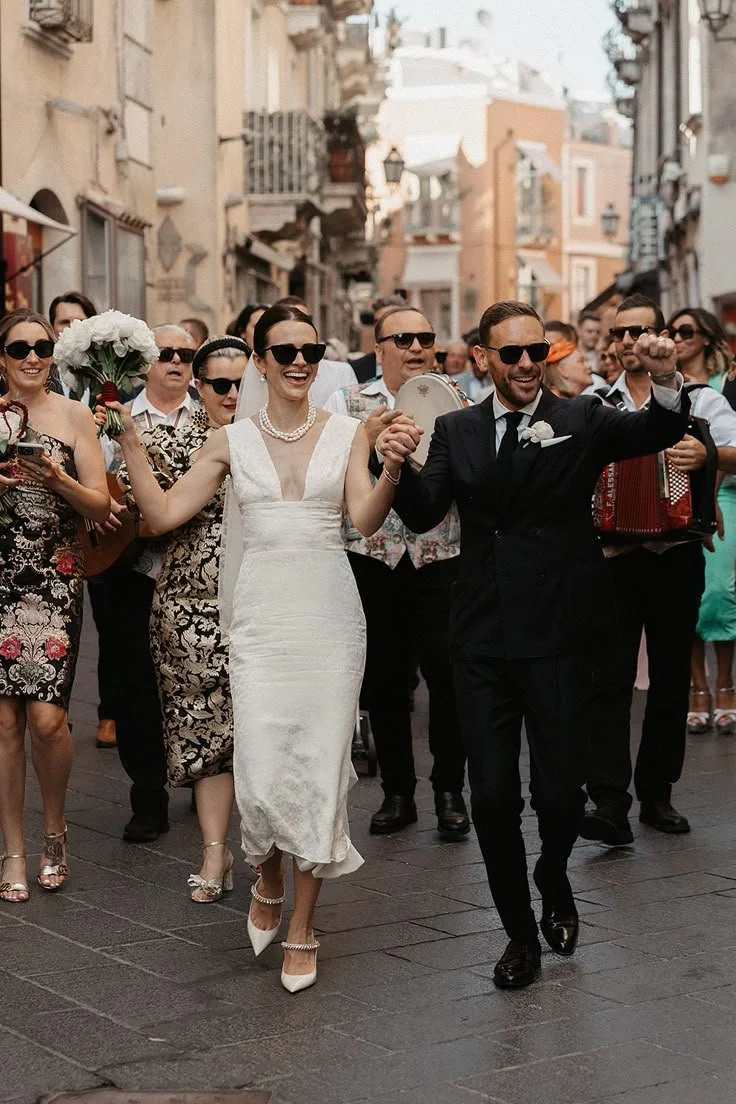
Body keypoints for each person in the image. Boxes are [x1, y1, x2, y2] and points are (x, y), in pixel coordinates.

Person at [378, 298, 689, 989]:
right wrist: (394, 464)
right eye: (511, 353)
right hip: (483, 636)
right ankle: (519, 934)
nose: (525, 365)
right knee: (491, 796)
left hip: (560, 632)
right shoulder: (456, 429)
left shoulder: (578, 417)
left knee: (555, 795)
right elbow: (427, 514)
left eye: (536, 352)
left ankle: (553, 874)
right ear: (484, 358)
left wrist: (667, 378)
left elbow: (657, 430)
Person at [106, 304, 408, 993]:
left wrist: (388, 468)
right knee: (264, 768)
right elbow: (161, 516)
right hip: (261, 624)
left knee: (322, 765)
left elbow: (362, 519)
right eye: (285, 351)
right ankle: (266, 870)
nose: (300, 361)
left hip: (330, 621)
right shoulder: (231, 443)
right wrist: (127, 439)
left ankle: (303, 923)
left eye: (311, 349)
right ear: (261, 360)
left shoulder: (349, 432)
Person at [582, 295, 736, 847]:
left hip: (675, 555)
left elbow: (734, 446)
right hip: (614, 558)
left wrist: (708, 458)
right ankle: (608, 799)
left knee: (670, 678)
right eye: (620, 334)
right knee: (610, 679)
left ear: (663, 338)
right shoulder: (594, 402)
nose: (629, 342)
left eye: (640, 332)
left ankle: (657, 793)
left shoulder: (697, 399)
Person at [325, 306, 468, 838]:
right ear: (378, 346)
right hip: (374, 556)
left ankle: (451, 792)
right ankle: (397, 793)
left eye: (425, 337)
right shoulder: (348, 402)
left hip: (441, 556)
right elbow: (335, 471)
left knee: (447, 677)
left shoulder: (458, 399)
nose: (416, 347)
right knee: (384, 678)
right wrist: (366, 437)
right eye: (403, 338)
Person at [115, 336, 246, 899]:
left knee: (265, 732)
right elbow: (144, 511)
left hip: (270, 601)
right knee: (205, 732)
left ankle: (268, 852)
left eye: (245, 382)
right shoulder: (169, 440)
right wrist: (128, 446)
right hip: (191, 609)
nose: (234, 394)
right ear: (199, 386)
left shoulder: (281, 441)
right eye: (221, 384)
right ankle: (216, 854)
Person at [0, 309, 109, 903]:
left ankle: (55, 830)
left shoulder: (74, 417)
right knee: (4, 720)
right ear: (2, 357)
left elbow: (99, 507)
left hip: (54, 578)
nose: (33, 357)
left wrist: (57, 478)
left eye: (43, 346)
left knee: (46, 719)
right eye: (20, 348)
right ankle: (13, 847)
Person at [106, 323, 199, 843]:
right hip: (131, 572)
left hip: (197, 573)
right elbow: (92, 488)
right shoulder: (112, 419)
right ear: (145, 362)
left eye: (185, 354)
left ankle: (199, 775)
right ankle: (148, 797)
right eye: (165, 352)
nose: (176, 361)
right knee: (134, 686)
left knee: (195, 681)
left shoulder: (212, 416)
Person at [669, 308, 736, 736]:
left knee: (720, 591)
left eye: (685, 331)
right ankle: (697, 688)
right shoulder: (666, 387)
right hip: (675, 496)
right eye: (670, 331)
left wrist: (711, 491)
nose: (676, 338)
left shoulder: (726, 386)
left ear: (706, 338)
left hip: (726, 494)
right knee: (685, 592)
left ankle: (726, 684)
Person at [272, 297, 358, 406]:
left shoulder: (341, 372)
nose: (300, 362)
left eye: (305, 320)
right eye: (289, 322)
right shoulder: (267, 374)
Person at [48, 291, 97, 399]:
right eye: (64, 322)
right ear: (52, 328)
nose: (72, 327)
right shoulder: (41, 378)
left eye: (80, 321)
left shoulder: (109, 377)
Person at [349, 294, 408, 383]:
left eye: (389, 320)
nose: (382, 326)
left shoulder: (419, 363)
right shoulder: (355, 369)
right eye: (378, 322)